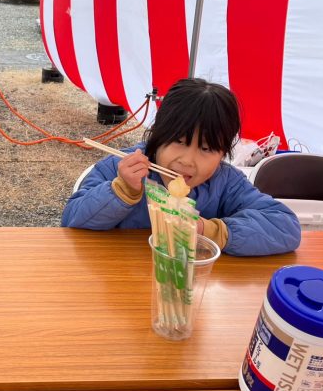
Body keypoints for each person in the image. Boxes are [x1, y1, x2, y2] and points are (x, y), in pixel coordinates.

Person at [61, 78, 301, 257]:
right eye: (179, 141)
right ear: (158, 136)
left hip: (185, 287)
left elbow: (286, 227)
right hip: (119, 279)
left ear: (223, 153)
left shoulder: (225, 182)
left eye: (206, 149)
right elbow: (72, 221)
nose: (188, 160)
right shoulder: (121, 167)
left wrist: (208, 230)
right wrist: (121, 191)